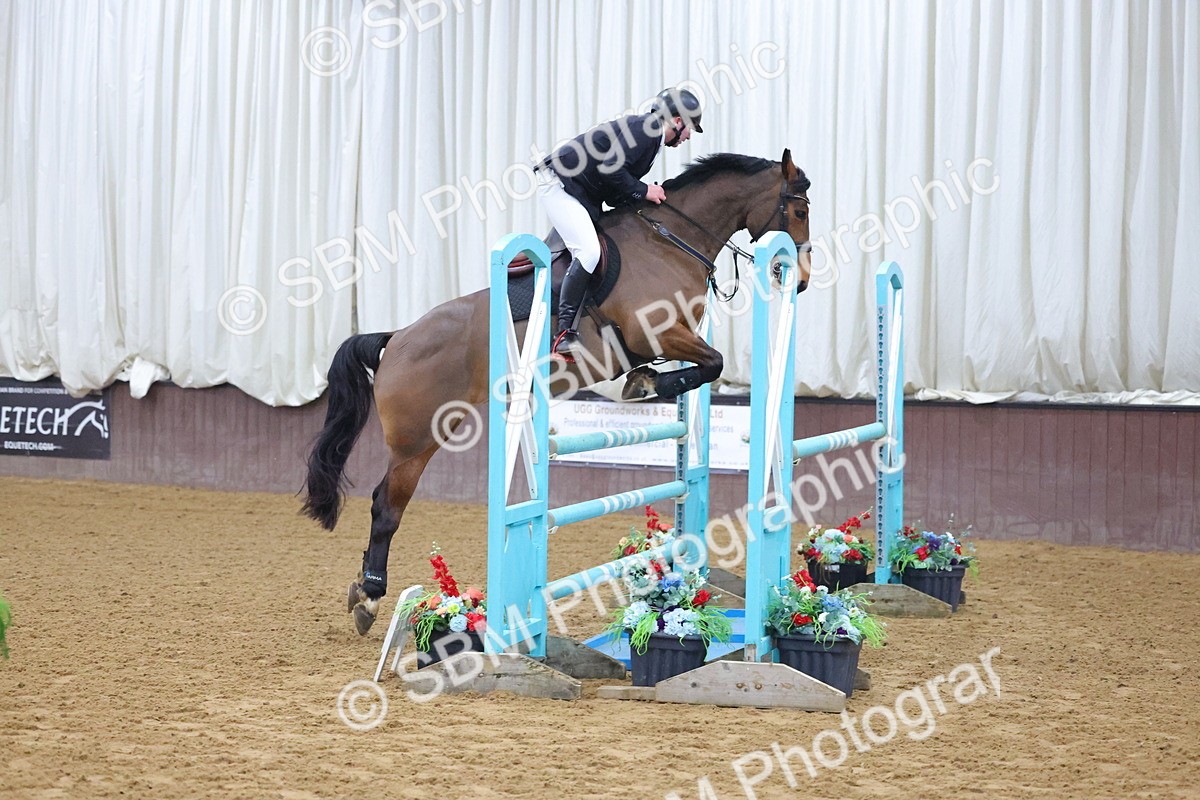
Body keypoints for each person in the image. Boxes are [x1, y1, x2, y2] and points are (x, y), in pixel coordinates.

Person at [536, 86, 704, 358]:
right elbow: (610, 170)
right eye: (690, 129)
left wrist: (642, 198)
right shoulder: (648, 131)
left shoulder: (649, 136)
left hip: (581, 189)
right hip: (559, 183)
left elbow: (614, 183)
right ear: (677, 121)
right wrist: (645, 190)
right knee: (588, 252)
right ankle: (564, 334)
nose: (688, 137)